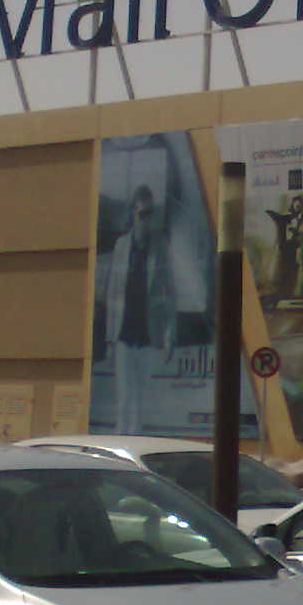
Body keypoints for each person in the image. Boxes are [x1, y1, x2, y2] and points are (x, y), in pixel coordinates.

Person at [102, 186, 169, 437]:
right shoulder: (122, 246)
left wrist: (167, 337)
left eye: (150, 212)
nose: (145, 218)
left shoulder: (159, 246)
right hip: (123, 332)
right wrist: (109, 338)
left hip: (148, 332)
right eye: (141, 212)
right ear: (133, 212)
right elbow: (113, 294)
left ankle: (137, 439)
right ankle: (121, 440)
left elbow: (168, 295)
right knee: (124, 396)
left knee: (141, 396)